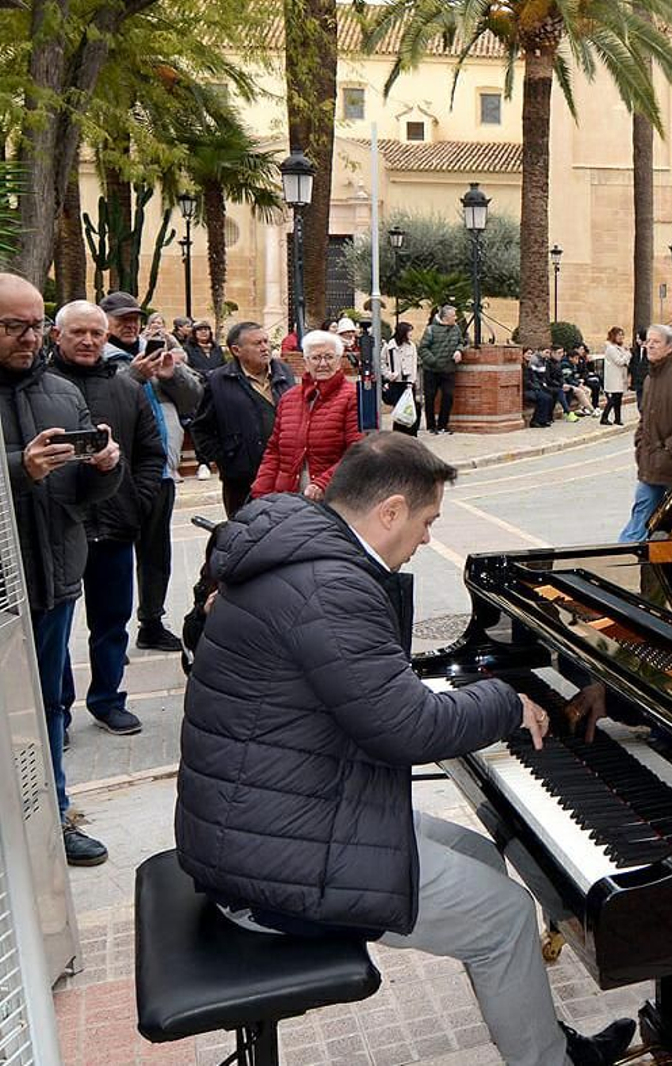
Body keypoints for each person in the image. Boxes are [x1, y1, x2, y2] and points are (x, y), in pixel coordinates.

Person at [175, 432, 635, 1066]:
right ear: (389, 510)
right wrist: (504, 702)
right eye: (426, 522)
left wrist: (452, 697)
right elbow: (405, 728)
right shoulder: (330, 585)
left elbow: (365, 689)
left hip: (265, 819)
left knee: (476, 850)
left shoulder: (301, 552)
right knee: (503, 916)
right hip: (275, 867)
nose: (425, 539)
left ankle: (538, 1036)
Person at [0, 274, 122, 866]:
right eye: (12, 327)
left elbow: (81, 493)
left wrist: (103, 467)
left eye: (33, 324)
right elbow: (25, 473)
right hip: (4, 584)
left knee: (48, 705)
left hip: (53, 580)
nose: (28, 337)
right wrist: (20, 467)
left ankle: (56, 816)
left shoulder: (60, 391)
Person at [48, 300, 167, 739]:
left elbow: (152, 452)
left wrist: (138, 497)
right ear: (57, 335)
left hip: (116, 526)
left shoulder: (127, 388)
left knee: (111, 622)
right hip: (60, 529)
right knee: (55, 629)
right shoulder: (41, 388)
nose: (88, 341)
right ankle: (55, 711)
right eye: (78, 332)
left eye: (96, 333)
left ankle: (106, 700)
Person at [100, 291, 203, 652]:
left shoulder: (158, 351)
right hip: (115, 475)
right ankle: (110, 636)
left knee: (156, 552)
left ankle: (152, 621)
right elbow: (102, 405)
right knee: (112, 558)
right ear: (106, 321)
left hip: (160, 471)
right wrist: (133, 376)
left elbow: (194, 401)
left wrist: (172, 375)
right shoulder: (97, 359)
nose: (130, 325)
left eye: (134, 318)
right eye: (121, 319)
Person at [190, 322, 295, 516]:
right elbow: (200, 428)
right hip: (242, 481)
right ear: (236, 350)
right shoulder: (217, 381)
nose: (265, 348)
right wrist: (226, 460)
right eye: (257, 344)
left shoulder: (284, 373)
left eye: (266, 341)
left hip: (285, 474)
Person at [250, 330, 363, 499]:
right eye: (316, 358)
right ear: (306, 362)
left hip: (335, 497)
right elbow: (274, 450)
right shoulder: (289, 398)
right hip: (289, 496)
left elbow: (358, 451)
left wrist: (323, 483)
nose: (323, 363)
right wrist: (260, 492)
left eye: (329, 357)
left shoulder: (352, 396)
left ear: (339, 361)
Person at [620, 324, 672, 542]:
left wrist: (668, 449)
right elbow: (645, 417)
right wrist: (639, 442)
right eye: (648, 341)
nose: (650, 346)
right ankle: (622, 558)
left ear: (670, 347)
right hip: (649, 465)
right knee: (639, 518)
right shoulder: (649, 379)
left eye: (656, 342)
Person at [418, 305, 464, 434]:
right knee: (430, 397)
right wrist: (433, 361)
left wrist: (459, 350)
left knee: (448, 396)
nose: (456, 318)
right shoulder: (430, 330)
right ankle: (431, 425)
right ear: (445, 317)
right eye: (454, 316)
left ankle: (443, 425)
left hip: (449, 369)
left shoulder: (456, 329)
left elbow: (462, 341)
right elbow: (423, 348)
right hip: (431, 370)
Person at [383, 321, 420, 437]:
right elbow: (381, 362)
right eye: (409, 331)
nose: (411, 334)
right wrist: (388, 374)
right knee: (399, 410)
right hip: (396, 382)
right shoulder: (390, 346)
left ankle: (411, 433)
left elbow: (413, 364)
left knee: (410, 408)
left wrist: (411, 381)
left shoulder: (411, 346)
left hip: (408, 383)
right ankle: (398, 434)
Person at [600, 327, 630, 426]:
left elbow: (625, 361)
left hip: (620, 377)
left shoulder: (620, 348)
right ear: (613, 336)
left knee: (618, 399)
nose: (621, 337)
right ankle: (604, 417)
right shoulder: (611, 348)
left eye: (622, 335)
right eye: (619, 335)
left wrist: (625, 356)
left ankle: (617, 418)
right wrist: (628, 355)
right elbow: (620, 361)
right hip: (614, 377)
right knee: (613, 399)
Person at [522, 348, 557, 428]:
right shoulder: (522, 365)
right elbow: (526, 381)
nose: (529, 355)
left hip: (533, 388)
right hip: (526, 390)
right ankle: (535, 421)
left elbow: (534, 378)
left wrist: (537, 386)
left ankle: (544, 419)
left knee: (549, 397)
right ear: (523, 354)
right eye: (527, 353)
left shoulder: (528, 365)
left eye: (531, 354)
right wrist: (535, 387)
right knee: (543, 397)